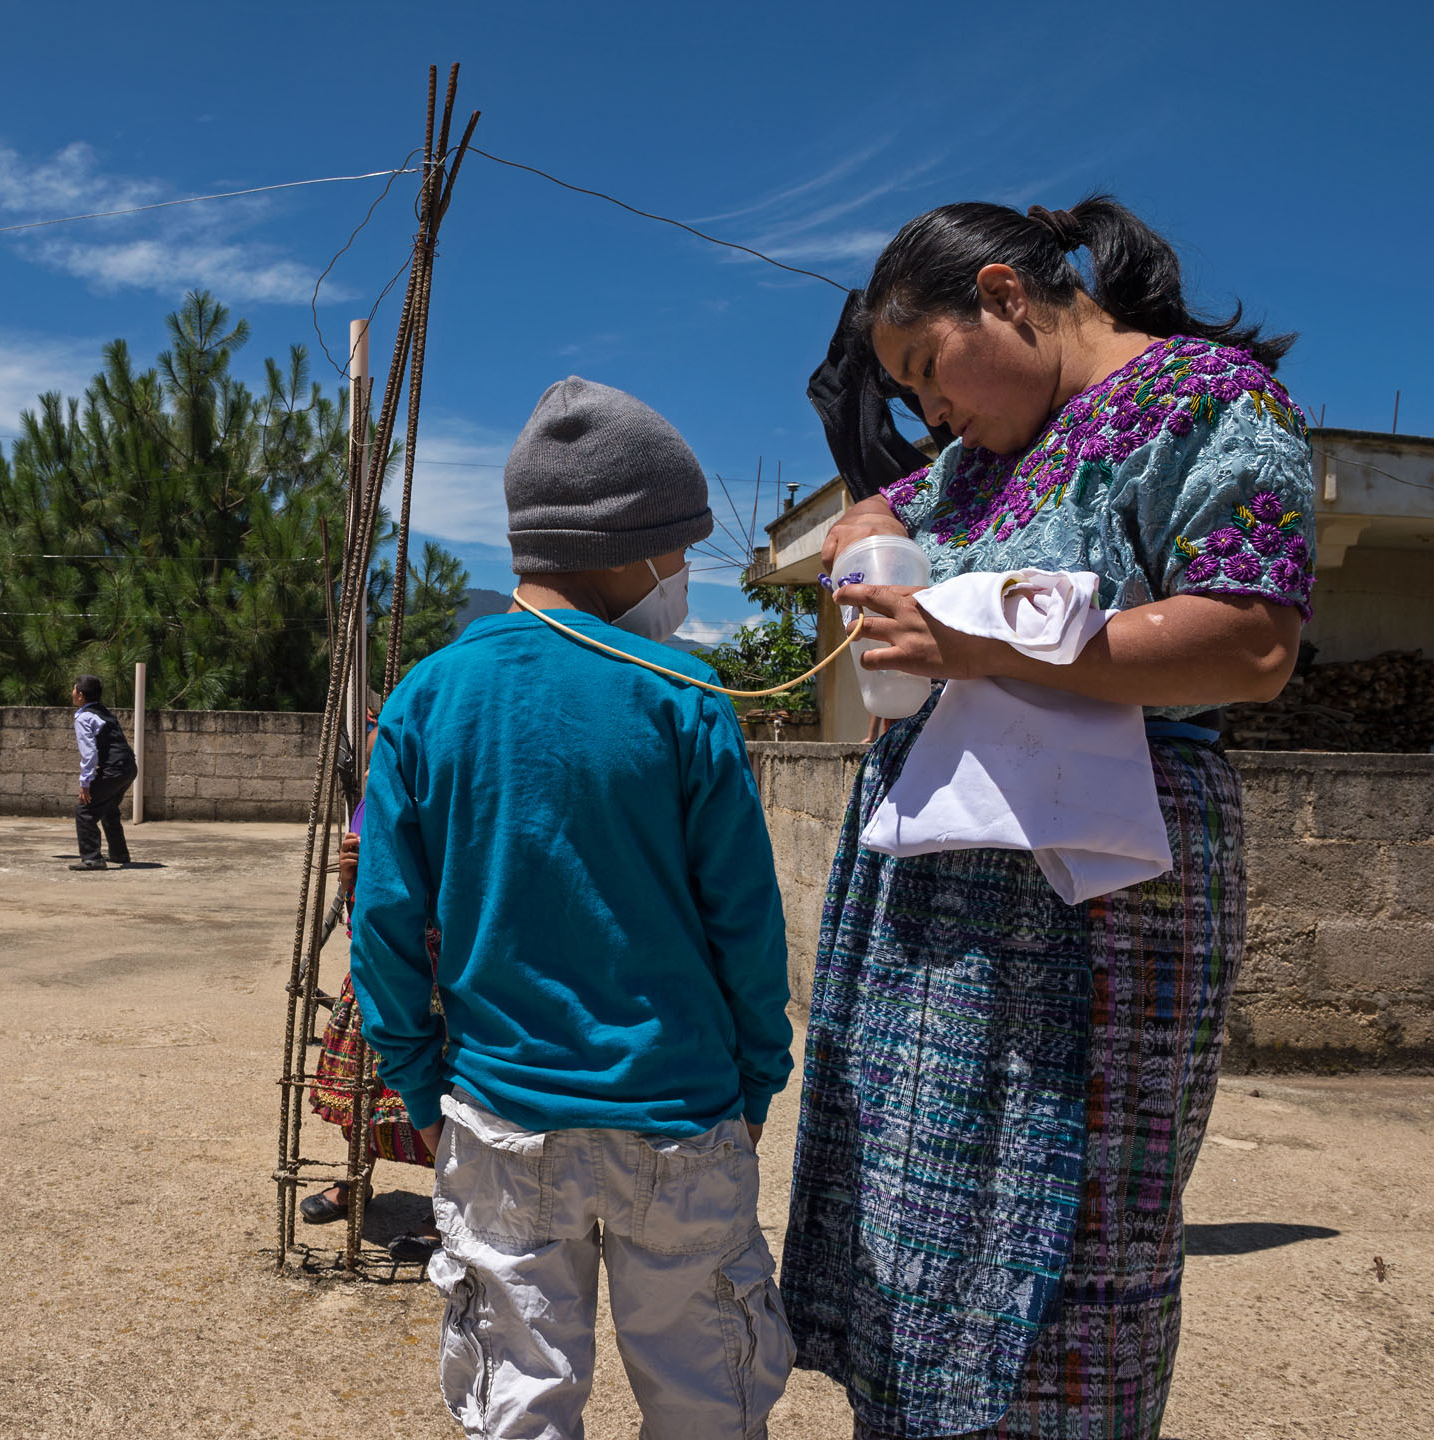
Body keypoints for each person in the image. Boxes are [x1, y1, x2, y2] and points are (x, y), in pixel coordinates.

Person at [777, 196, 1314, 1440]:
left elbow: (1249, 643)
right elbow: (887, 516)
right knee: (918, 1213)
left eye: (926, 370)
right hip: (937, 895)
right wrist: (868, 523)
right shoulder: (978, 462)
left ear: (1007, 294)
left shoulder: (1206, 402)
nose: (928, 413)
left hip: (1098, 897)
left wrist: (977, 641)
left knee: (1070, 1230)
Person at [350, 376, 797, 1440]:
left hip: (501, 1122)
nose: (684, 575)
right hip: (681, 1118)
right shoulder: (685, 696)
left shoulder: (425, 697)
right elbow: (746, 922)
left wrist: (417, 1078)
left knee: (519, 1403)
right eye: (682, 550)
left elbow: (383, 922)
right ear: (631, 548)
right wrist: (756, 1080)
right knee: (707, 1405)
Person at [302, 734, 440, 1266]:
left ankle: (446, 1206)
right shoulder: (365, 808)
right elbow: (363, 905)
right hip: (372, 967)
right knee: (359, 1091)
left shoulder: (437, 804)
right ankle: (355, 1179)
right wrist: (352, 876)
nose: (379, 765)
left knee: (428, 1093)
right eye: (373, 755)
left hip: (430, 969)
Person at [69, 673, 137, 871]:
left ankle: (92, 858)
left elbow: (89, 754)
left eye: (74, 689)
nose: (72, 693)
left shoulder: (84, 717)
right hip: (128, 767)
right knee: (108, 808)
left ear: (80, 695)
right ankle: (119, 853)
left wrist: (85, 783)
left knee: (84, 810)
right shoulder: (103, 712)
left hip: (114, 769)